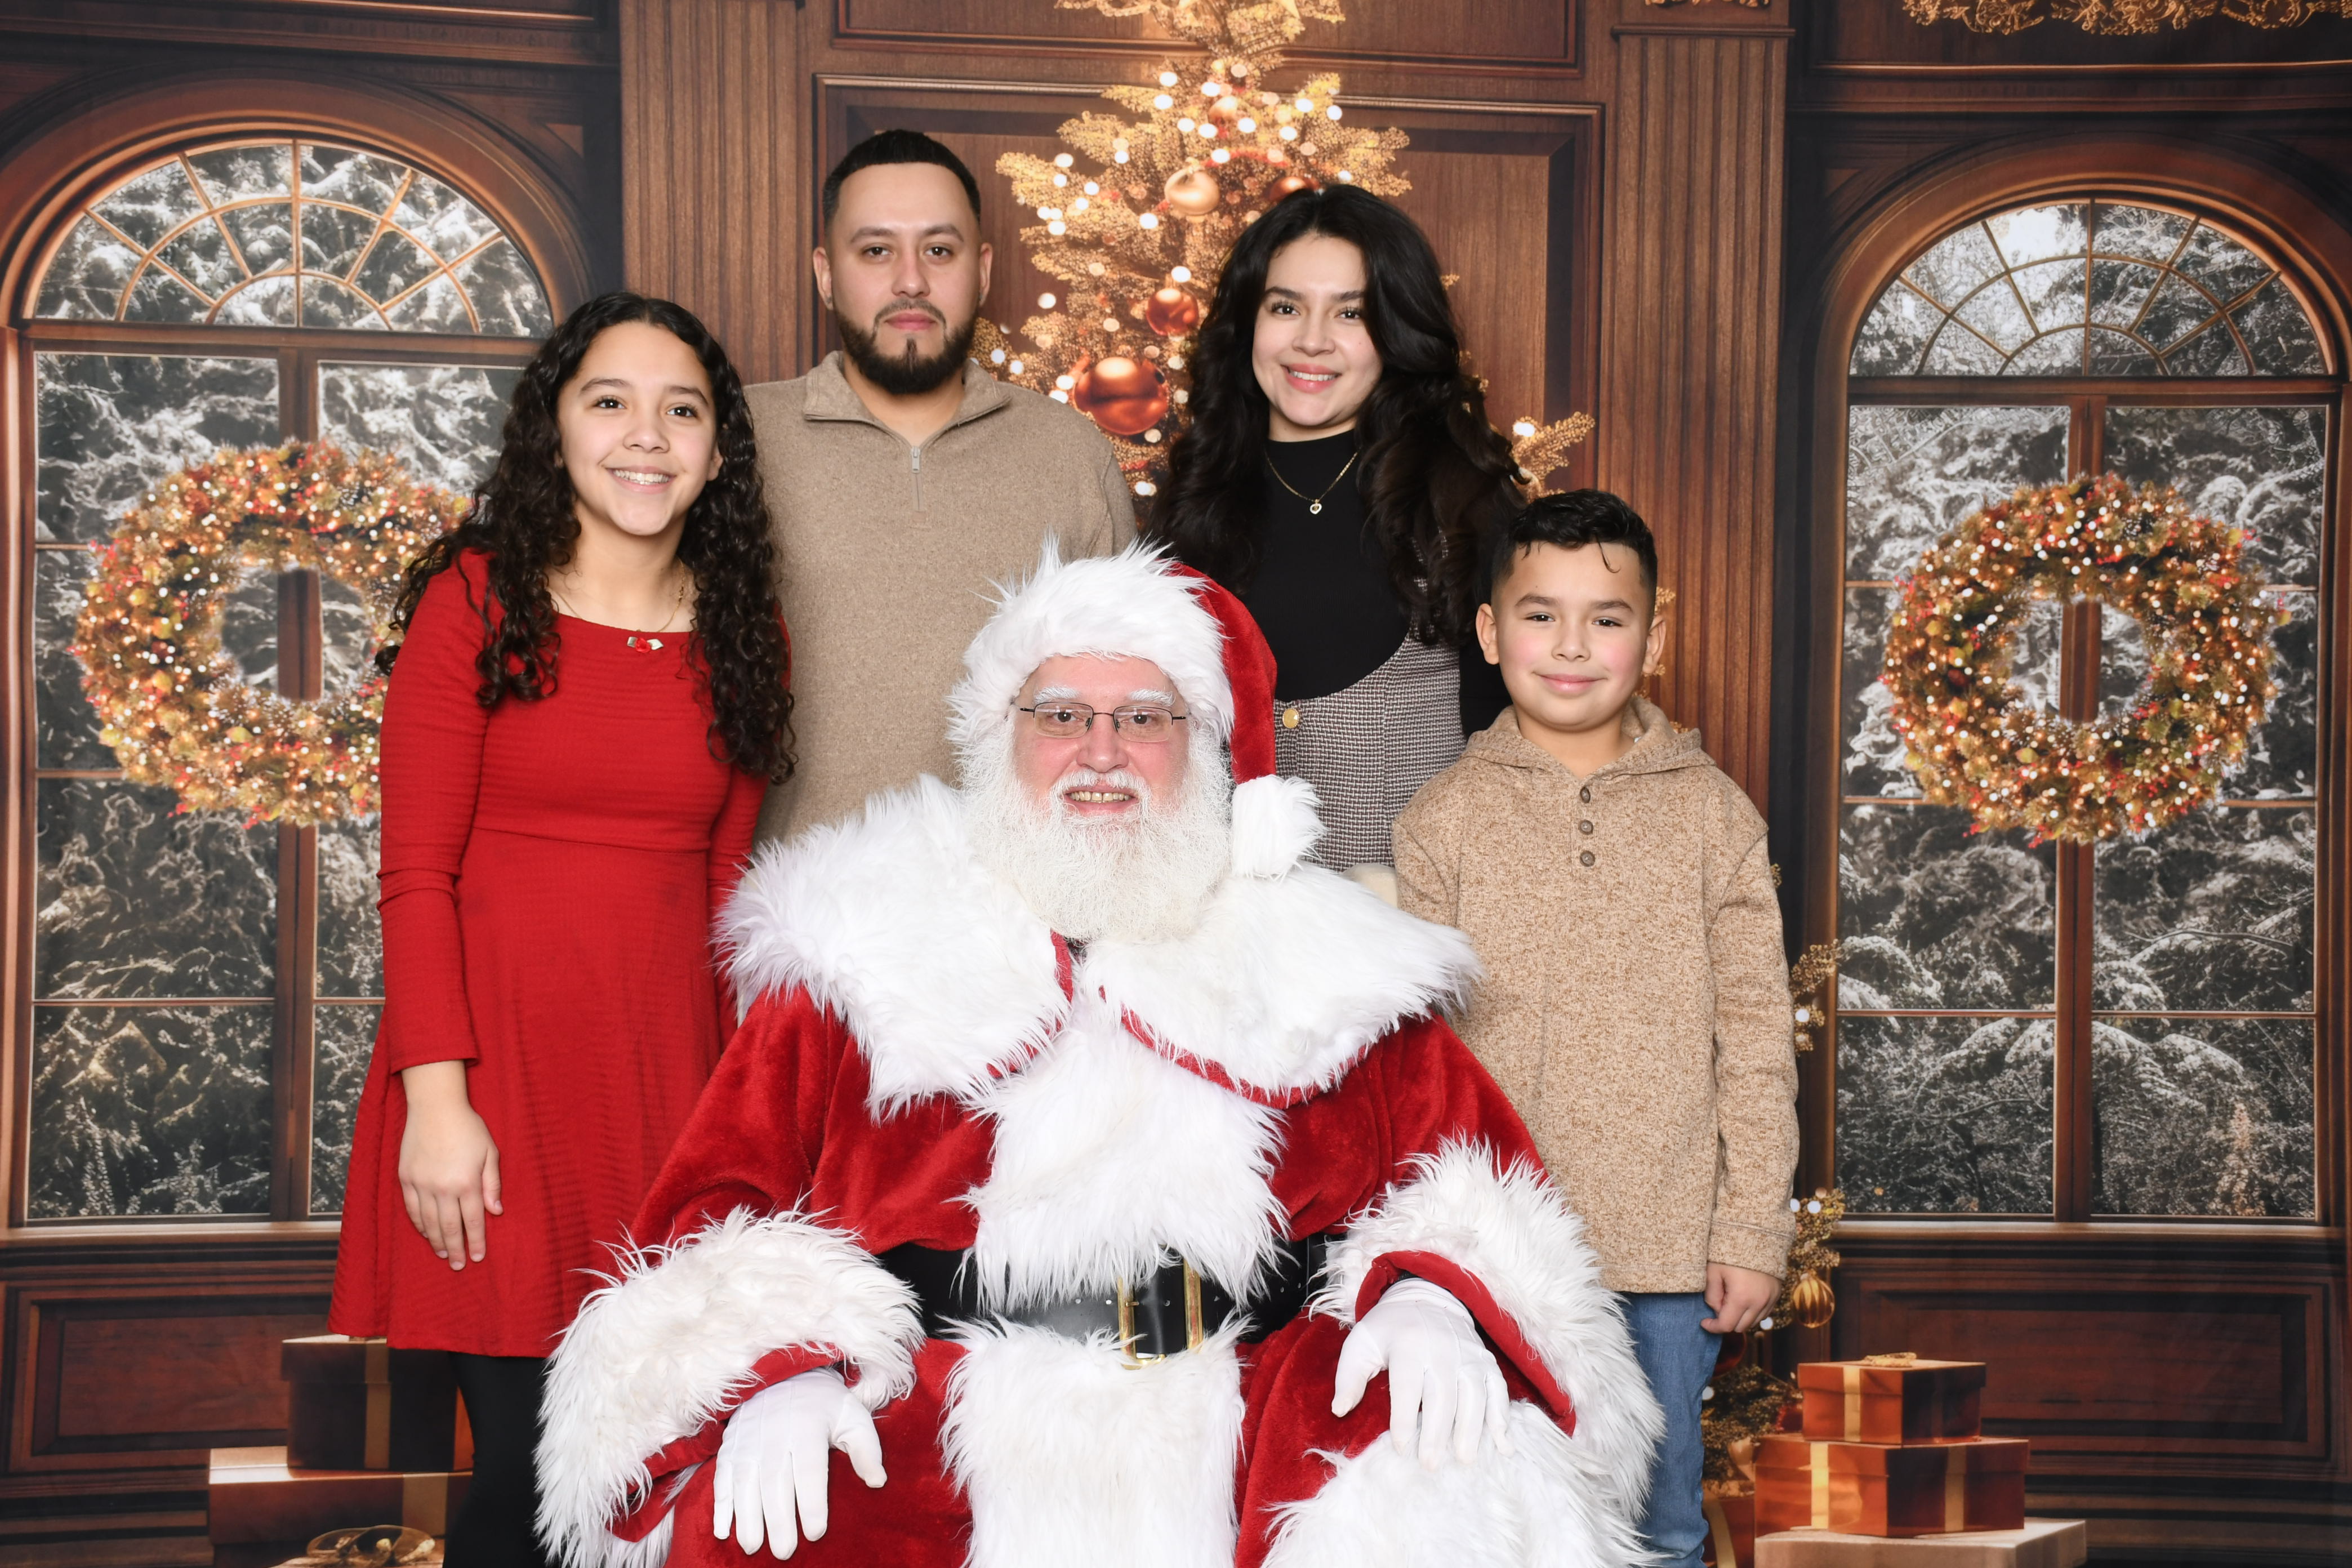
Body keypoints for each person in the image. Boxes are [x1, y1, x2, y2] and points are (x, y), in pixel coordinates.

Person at [534, 546, 1663, 1568]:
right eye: (1063, 714)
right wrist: (783, 1366)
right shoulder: (858, 944)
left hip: (1261, 1406)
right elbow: (712, 1208)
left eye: (1146, 718)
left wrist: (1429, 1296)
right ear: (1001, 738)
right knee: (772, 1516)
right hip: (934, 1406)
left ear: (1203, 749)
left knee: (1457, 1469)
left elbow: (1477, 1180)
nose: (1103, 752)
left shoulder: (1329, 961)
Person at [328, 293, 792, 1568]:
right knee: (532, 1486)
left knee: (649, 1483)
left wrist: (736, 1131)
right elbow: (414, 873)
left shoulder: (745, 627)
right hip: (493, 1099)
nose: (646, 434)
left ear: (716, 450)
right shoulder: (475, 598)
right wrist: (436, 1102)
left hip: (662, 1094)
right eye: (610, 401)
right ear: (557, 427)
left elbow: (724, 890)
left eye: (681, 410)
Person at [1391, 492, 1799, 1568]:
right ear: (1491, 633)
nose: (1572, 645)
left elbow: (1757, 1036)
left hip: (1667, 1250)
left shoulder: (1714, 813)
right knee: (1495, 1518)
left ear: (1653, 637)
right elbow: (1417, 1054)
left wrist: (1750, 1228)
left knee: (1659, 1525)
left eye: (1606, 618)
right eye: (1541, 615)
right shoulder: (1442, 817)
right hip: (1499, 1251)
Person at [749, 128, 1134, 841]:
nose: (910, 281)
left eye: (939, 250)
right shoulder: (739, 440)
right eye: (876, 251)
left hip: (1012, 899)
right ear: (826, 274)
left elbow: (1127, 711)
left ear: (982, 271)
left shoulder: (1070, 453)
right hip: (781, 896)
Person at [1145, 183, 1521, 875]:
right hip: (1221, 929)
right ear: (1248, 322)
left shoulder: (1461, 499)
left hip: (1410, 925)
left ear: (1395, 333)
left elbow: (1514, 748)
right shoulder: (1194, 499)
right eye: (1285, 307)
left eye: (1351, 313)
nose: (1312, 341)